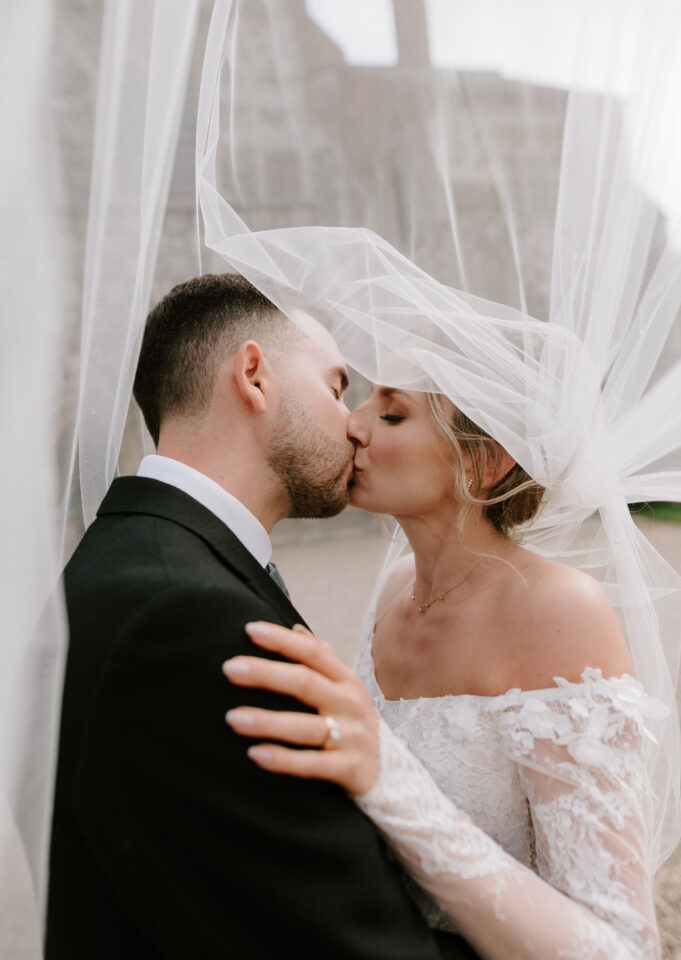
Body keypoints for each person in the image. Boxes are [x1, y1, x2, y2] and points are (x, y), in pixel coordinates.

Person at [45, 273, 480, 959]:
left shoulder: (125, 560)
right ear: (254, 375)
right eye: (337, 387)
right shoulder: (187, 620)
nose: (354, 424)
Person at [224, 383, 664, 959]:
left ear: (484, 462)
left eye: (391, 413)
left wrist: (391, 782)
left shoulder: (557, 609)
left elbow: (620, 949)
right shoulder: (394, 588)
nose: (353, 425)